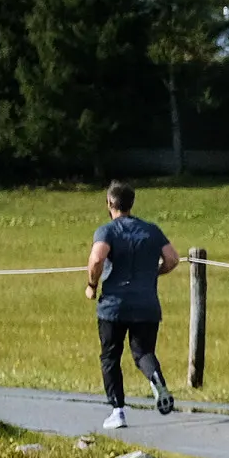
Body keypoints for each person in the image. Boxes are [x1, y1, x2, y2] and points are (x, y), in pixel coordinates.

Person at [87, 182, 178, 429]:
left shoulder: (107, 231)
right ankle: (155, 378)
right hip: (146, 304)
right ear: (131, 203)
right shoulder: (151, 230)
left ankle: (118, 410)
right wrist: (154, 273)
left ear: (109, 203)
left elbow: (97, 258)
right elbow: (172, 258)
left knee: (110, 356)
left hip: (113, 306)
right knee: (143, 353)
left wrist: (92, 285)